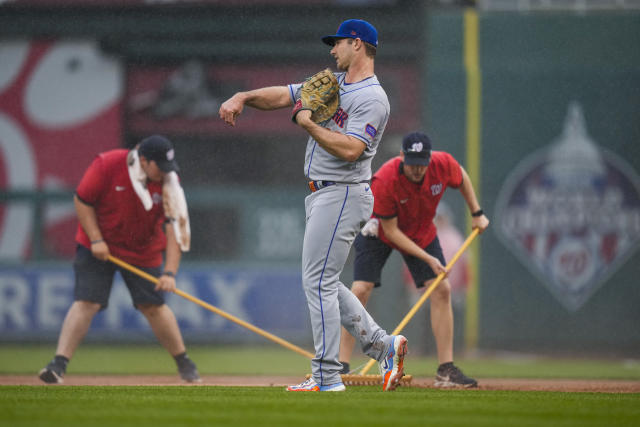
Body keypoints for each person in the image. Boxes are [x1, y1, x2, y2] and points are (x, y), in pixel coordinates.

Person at [219, 19, 407, 392]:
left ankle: (326, 375)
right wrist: (244, 97)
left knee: (317, 282)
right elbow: (285, 95)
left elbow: (353, 150)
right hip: (324, 194)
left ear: (357, 44)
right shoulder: (334, 83)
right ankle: (384, 346)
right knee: (324, 281)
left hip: (343, 191)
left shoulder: (372, 97)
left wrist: (307, 123)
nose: (331, 50)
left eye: (336, 43)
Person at [39, 135, 200, 384]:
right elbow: (82, 201)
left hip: (142, 249)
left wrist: (169, 273)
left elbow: (175, 228)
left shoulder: (169, 181)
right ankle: (58, 364)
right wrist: (96, 240)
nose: (166, 172)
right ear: (144, 161)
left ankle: (185, 364)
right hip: (98, 244)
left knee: (153, 306)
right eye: (160, 166)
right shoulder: (107, 165)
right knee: (87, 302)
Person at [338, 131, 489, 388]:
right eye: (412, 163)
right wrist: (429, 259)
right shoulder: (384, 180)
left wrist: (477, 212)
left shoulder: (441, 164)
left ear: (429, 159)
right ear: (401, 158)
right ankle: (339, 366)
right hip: (381, 231)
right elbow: (393, 232)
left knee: (441, 289)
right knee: (360, 289)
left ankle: (446, 371)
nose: (417, 169)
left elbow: (461, 176)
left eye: (422, 163)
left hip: (420, 231)